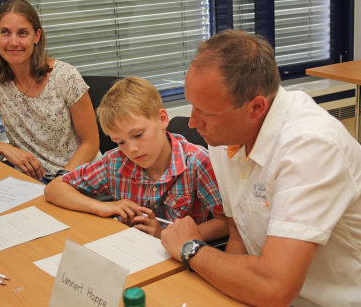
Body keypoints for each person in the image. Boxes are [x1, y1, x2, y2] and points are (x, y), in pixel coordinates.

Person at [161, 30, 361, 306]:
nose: (192, 122)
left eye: (206, 112)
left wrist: (191, 249)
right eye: (193, 105)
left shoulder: (310, 145)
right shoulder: (226, 134)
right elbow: (239, 235)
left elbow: (273, 288)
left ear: (256, 107)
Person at [45, 76, 228, 240]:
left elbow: (225, 224)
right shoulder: (115, 162)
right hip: (130, 250)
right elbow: (54, 189)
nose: (131, 149)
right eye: (120, 142)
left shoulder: (197, 162)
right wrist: (101, 207)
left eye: (138, 134)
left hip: (178, 259)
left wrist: (165, 236)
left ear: (162, 119)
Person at [0, 0, 99, 183]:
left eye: (22, 33)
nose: (13, 42)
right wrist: (5, 149)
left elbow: (90, 143)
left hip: (76, 174)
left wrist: (61, 180)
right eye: (5, 32)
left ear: (36, 36)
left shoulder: (65, 76)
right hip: (31, 178)